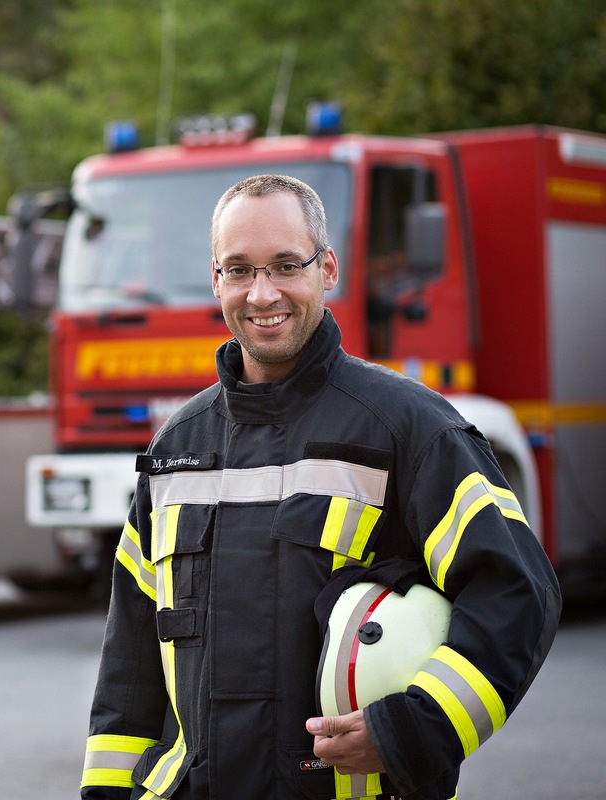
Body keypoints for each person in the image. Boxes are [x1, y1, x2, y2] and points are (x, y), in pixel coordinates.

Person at [79, 174, 561, 800]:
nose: (263, 293)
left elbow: (518, 591)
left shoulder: (409, 428)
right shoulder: (176, 450)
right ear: (217, 280)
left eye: (285, 265)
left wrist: (411, 730)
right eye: (240, 270)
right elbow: (130, 668)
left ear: (327, 267)